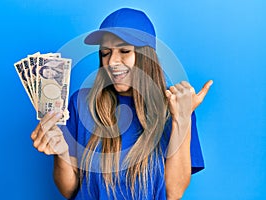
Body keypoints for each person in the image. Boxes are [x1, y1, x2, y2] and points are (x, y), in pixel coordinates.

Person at [31, 8, 213, 200]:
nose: (112, 61)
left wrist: (182, 119)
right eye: (105, 53)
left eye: (124, 51)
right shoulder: (80, 103)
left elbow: (173, 192)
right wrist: (62, 154)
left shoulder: (175, 107)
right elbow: (69, 190)